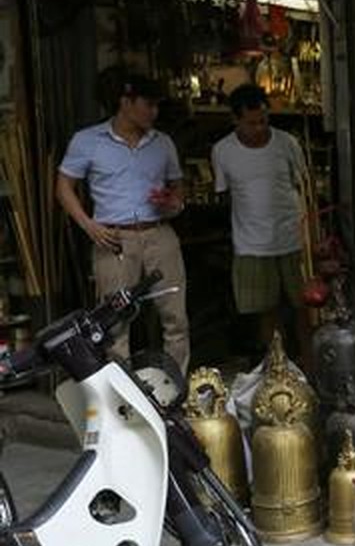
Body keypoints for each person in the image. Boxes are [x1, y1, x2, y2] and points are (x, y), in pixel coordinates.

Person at [57, 72, 189, 372]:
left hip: (159, 233)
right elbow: (63, 187)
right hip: (113, 238)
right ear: (125, 102)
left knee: (176, 319)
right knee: (114, 325)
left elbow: (178, 186)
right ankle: (123, 400)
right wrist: (89, 225)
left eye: (157, 106)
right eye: (148, 105)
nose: (154, 112)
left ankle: (175, 391)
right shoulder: (88, 141)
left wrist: (173, 203)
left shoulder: (163, 142)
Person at [210, 84, 309, 355]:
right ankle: (277, 369)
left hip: (292, 238)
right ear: (236, 120)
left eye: (264, 120)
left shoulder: (287, 143)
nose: (259, 128)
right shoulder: (223, 151)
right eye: (251, 123)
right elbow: (225, 195)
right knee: (266, 312)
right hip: (252, 244)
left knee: (305, 309)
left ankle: (311, 367)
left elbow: (304, 188)